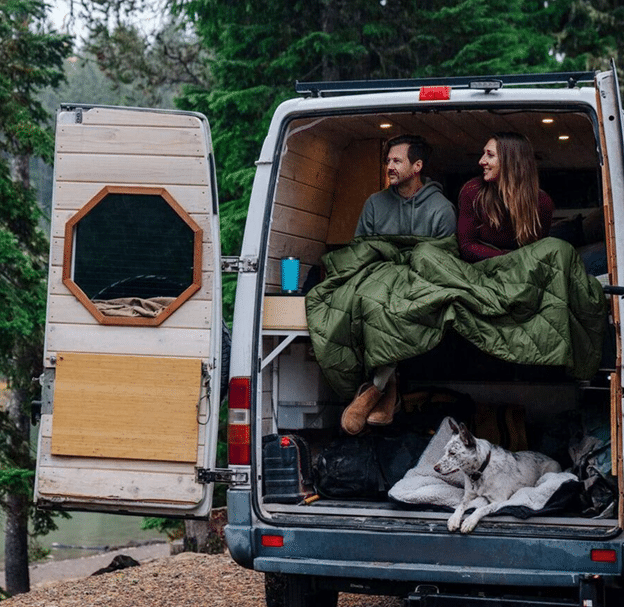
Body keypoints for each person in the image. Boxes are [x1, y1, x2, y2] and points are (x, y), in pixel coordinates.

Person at [341, 134, 457, 436]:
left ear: (417, 166)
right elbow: (360, 250)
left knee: (398, 307)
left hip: (420, 282)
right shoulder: (374, 204)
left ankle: (376, 388)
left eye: (397, 161)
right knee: (361, 301)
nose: (389, 166)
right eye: (388, 160)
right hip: (378, 275)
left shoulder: (441, 209)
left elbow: (444, 262)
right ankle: (387, 391)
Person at [457, 132, 554, 263]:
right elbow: (466, 246)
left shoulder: (542, 202)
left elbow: (537, 253)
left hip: (521, 271)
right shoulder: (473, 191)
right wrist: (510, 257)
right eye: (484, 153)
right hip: (481, 269)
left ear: (511, 161)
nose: (481, 161)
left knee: (559, 249)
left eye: (490, 155)